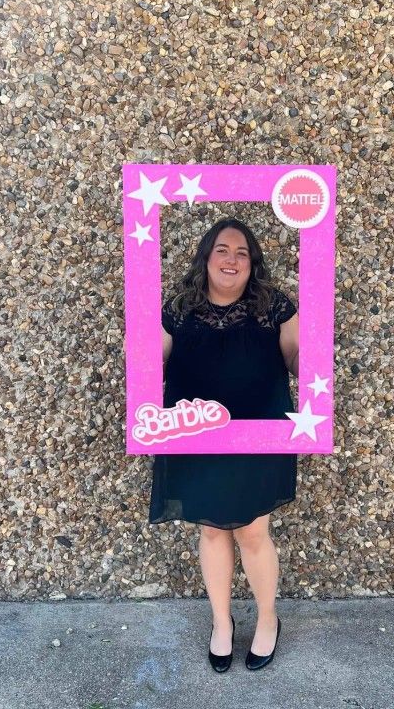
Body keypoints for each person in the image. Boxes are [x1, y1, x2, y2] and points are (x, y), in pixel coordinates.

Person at [149, 217, 299, 673]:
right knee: (212, 529)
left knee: (253, 530)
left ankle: (268, 620)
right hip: (196, 437)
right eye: (222, 250)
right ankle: (221, 623)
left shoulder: (275, 307)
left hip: (259, 435)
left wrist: (314, 364)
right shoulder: (177, 309)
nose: (231, 260)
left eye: (241, 253)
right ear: (206, 258)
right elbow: (152, 364)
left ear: (252, 264)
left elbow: (294, 359)